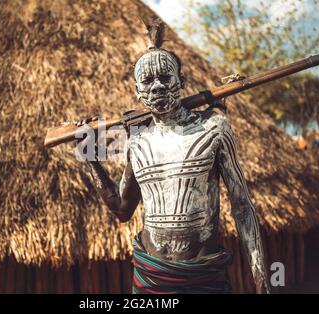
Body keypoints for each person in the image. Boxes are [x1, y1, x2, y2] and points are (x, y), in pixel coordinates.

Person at [78, 20, 270, 294]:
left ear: (180, 82)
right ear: (138, 92)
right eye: (147, 80)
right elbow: (122, 209)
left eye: (165, 78)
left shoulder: (213, 129)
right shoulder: (138, 141)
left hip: (201, 277)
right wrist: (88, 156)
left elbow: (242, 206)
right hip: (150, 277)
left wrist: (260, 274)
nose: (157, 87)